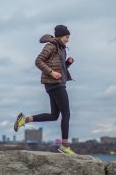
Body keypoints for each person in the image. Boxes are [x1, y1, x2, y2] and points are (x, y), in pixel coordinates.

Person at [14, 25, 75, 154]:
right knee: (66, 113)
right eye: (67, 37)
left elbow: (59, 68)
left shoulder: (61, 49)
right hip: (55, 84)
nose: (68, 40)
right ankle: (65, 146)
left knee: (54, 116)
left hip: (56, 83)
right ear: (60, 36)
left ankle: (24, 120)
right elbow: (38, 61)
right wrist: (51, 72)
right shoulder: (51, 46)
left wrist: (67, 64)